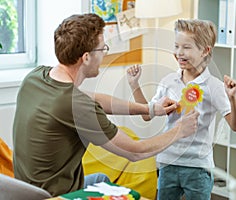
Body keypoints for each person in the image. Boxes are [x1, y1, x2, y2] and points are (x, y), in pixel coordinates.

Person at [12, 14, 200, 197]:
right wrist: (180, 130)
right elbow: (135, 151)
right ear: (86, 57)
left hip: (24, 190)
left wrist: (149, 108)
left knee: (101, 178)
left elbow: (94, 99)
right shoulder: (77, 106)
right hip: (54, 196)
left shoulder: (36, 77)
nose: (104, 54)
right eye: (102, 49)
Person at [127, 19, 236, 200]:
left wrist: (232, 98)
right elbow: (146, 115)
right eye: (176, 46)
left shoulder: (214, 86)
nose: (179, 53)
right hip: (168, 162)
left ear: (205, 50)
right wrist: (134, 84)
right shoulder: (168, 81)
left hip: (198, 166)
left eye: (186, 47)